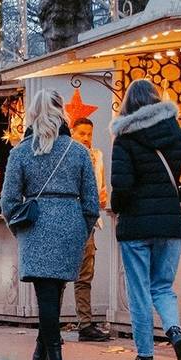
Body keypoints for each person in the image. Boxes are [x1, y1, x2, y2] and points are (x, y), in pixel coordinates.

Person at [110, 79, 181, 360]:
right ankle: (175, 332)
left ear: (128, 105)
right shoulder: (175, 132)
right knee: (163, 287)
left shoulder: (125, 139)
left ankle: (145, 358)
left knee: (139, 291)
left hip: (135, 227)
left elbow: (123, 186)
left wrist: (118, 206)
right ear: (157, 101)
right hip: (169, 223)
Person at [1, 90, 99, 360]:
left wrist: (20, 229)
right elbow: (92, 203)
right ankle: (40, 357)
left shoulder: (20, 153)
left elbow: (8, 201)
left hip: (36, 226)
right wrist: (81, 231)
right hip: (70, 224)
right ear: (62, 114)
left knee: (47, 294)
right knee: (54, 292)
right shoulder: (79, 152)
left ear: (32, 114)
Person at [70, 116, 111, 342]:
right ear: (72, 132)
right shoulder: (65, 155)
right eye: (82, 133)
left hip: (88, 222)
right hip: (68, 220)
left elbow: (102, 189)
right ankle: (50, 323)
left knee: (85, 274)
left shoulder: (97, 157)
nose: (86, 138)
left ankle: (84, 323)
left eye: (89, 134)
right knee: (59, 273)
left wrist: (102, 198)